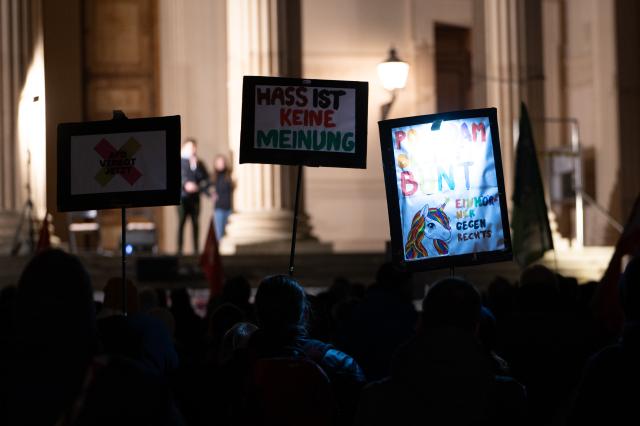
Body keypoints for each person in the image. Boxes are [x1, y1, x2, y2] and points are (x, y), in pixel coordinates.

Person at [178, 138, 210, 255]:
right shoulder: (179, 162)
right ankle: (179, 249)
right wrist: (185, 185)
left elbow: (206, 179)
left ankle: (196, 250)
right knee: (181, 223)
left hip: (195, 198)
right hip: (182, 198)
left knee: (195, 223)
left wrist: (195, 166)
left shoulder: (199, 163)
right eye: (191, 147)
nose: (193, 150)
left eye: (194, 147)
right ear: (184, 148)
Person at [211, 154, 233, 241]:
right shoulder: (213, 177)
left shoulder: (229, 176)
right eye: (219, 162)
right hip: (219, 208)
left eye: (223, 162)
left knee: (228, 234)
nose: (221, 164)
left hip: (228, 208)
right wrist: (211, 194)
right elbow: (205, 187)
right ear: (216, 164)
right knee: (219, 234)